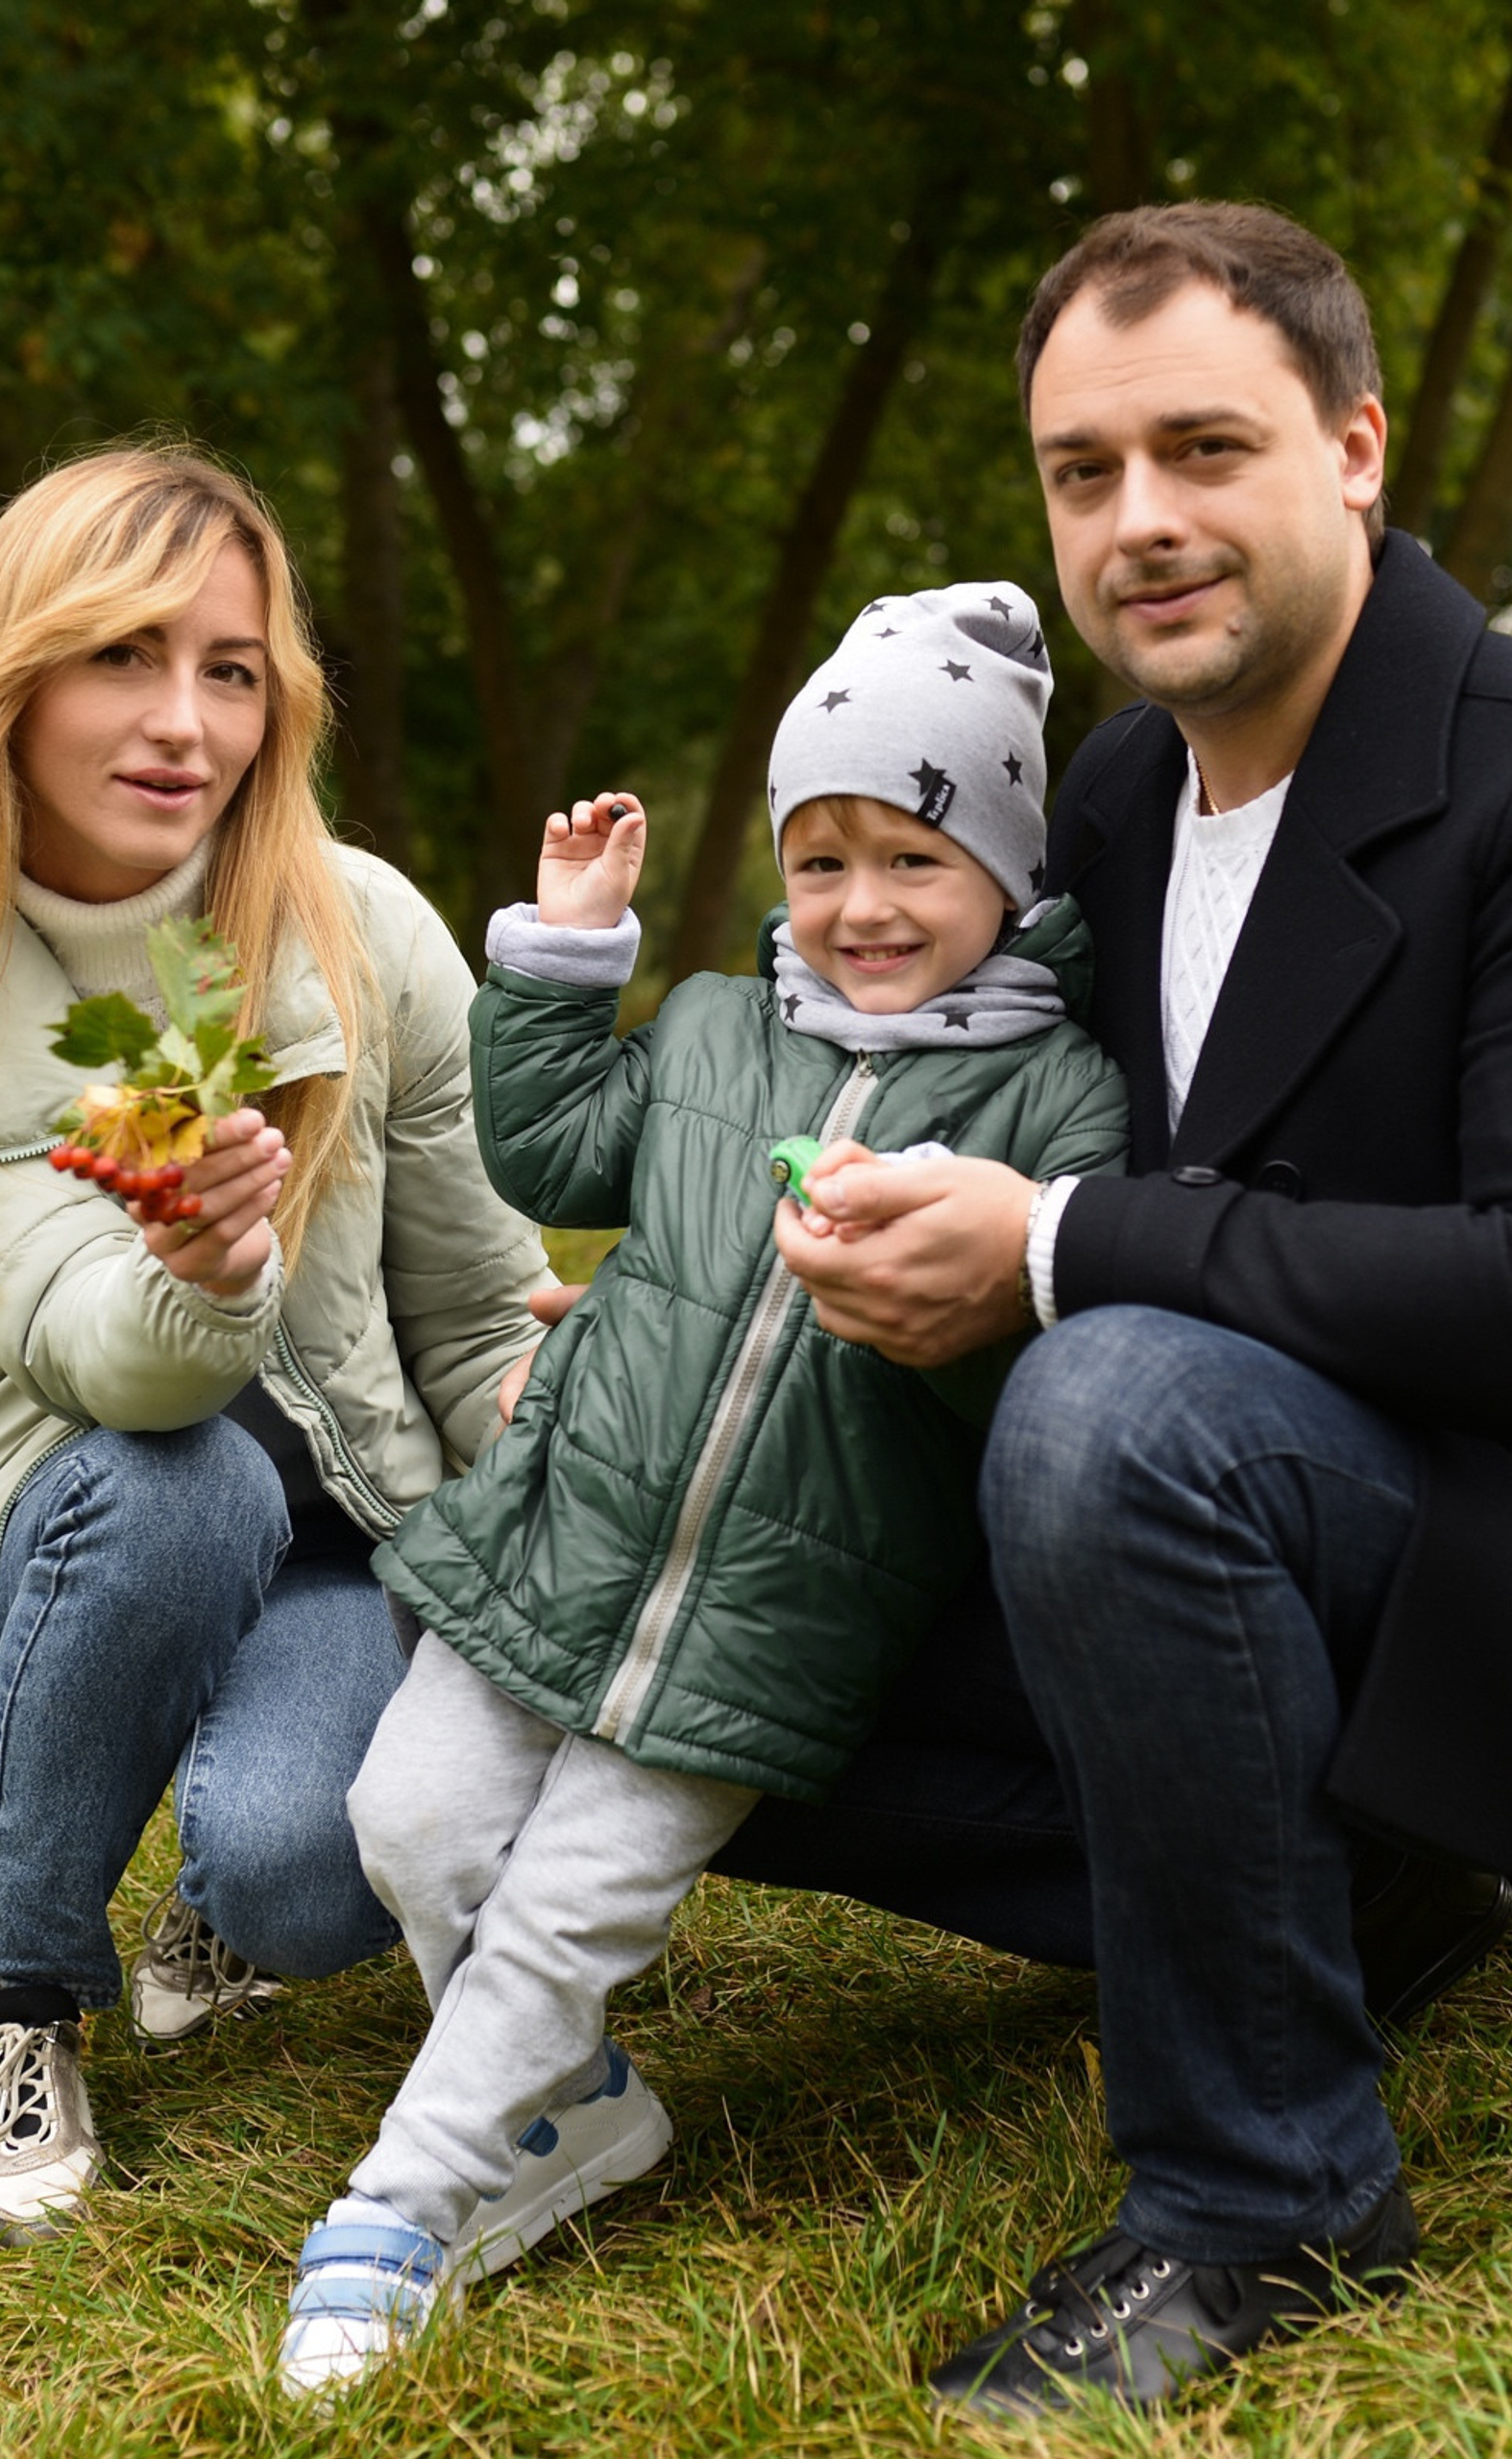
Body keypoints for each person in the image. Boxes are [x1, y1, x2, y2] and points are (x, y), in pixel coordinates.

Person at [767, 205, 1512, 2415]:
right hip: (1210, 1550)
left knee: (1114, 1399)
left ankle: (1266, 2196)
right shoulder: (1107, 797)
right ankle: (1349, 1904)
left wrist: (1052, 1242)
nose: (1139, 523)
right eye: (1080, 471)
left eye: (1200, 448)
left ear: (1351, 451)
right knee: (675, 1614)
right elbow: (899, 1044)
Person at [273, 584, 1129, 2395]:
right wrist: (567, 962)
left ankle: (400, 2208)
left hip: (773, 1606)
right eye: (821, 859)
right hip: (559, 1532)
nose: (863, 907)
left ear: (1005, 871)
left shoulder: (1057, 1098)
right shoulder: (725, 1026)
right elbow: (561, 1151)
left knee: (574, 1903)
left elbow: (1040, 1363)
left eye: (913, 857)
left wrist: (934, 1315)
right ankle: (572, 2110)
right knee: (409, 1824)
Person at [0, 446, 555, 2246]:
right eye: (123, 656)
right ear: (10, 681)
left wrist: (582, 1426)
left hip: (342, 1532)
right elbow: (111, 1367)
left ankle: (223, 1879)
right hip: (69, 1525)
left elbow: (468, 1297)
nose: (184, 720)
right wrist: (207, 1262)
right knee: (181, 1484)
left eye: (232, 668)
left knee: (297, 1877)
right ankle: (10, 1997)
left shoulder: (365, 931)